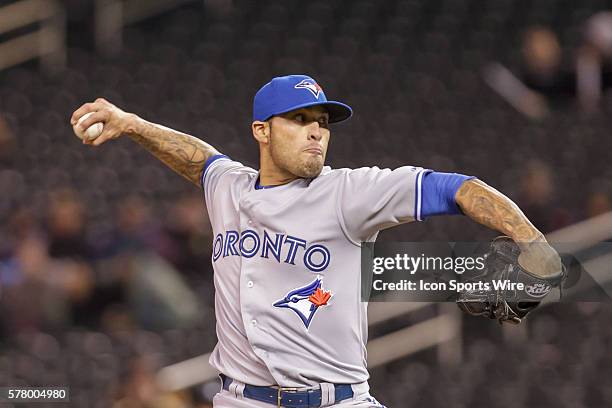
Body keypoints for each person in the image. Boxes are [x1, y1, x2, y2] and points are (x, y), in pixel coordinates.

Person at [71, 74, 562, 407]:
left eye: (323, 123)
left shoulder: (346, 193)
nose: (316, 133)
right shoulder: (229, 188)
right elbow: (199, 160)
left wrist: (533, 242)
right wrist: (133, 125)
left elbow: (454, 188)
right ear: (261, 131)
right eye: (301, 119)